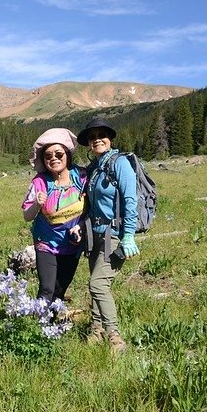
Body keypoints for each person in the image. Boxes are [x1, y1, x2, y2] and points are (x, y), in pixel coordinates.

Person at [77, 118, 139, 353]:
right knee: (95, 282)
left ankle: (114, 336)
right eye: (92, 137)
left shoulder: (120, 163)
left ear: (110, 139)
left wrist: (129, 235)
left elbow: (130, 200)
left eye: (102, 135)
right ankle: (96, 329)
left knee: (99, 284)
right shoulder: (94, 168)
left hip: (115, 235)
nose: (97, 139)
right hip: (95, 235)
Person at [21, 128, 87, 307]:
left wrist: (81, 224)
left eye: (59, 153)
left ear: (67, 155)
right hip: (46, 243)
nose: (53, 158)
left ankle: (51, 325)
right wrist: (36, 204)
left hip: (72, 244)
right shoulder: (39, 182)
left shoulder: (81, 177)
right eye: (48, 155)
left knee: (60, 289)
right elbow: (27, 216)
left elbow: (91, 207)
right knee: (47, 289)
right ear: (43, 160)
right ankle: (38, 326)